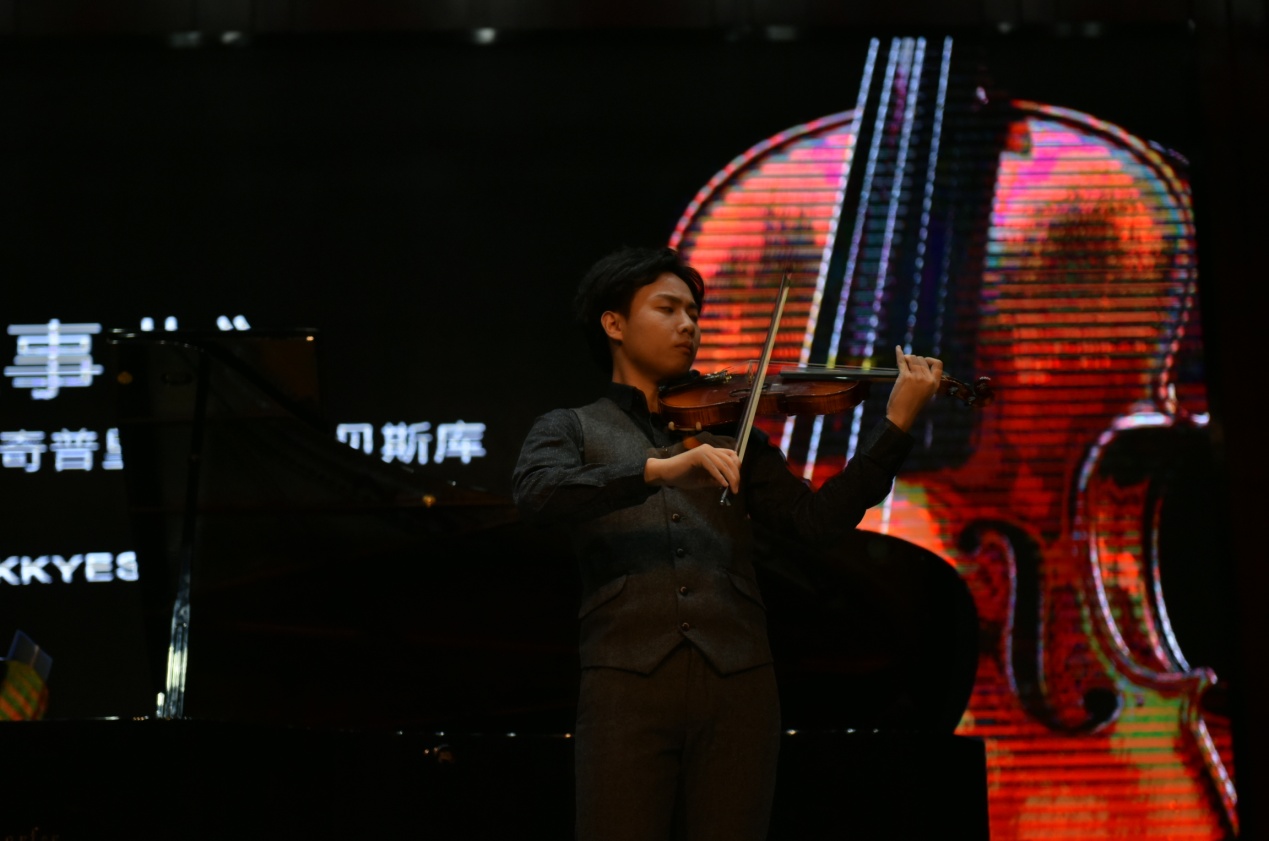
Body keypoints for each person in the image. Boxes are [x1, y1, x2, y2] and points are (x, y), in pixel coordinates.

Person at [512, 245, 942, 841]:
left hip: (740, 683)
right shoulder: (570, 428)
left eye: (694, 312)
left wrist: (893, 429)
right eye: (667, 309)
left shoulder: (730, 429)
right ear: (613, 323)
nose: (688, 324)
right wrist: (658, 469)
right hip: (624, 684)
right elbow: (536, 494)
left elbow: (815, 522)